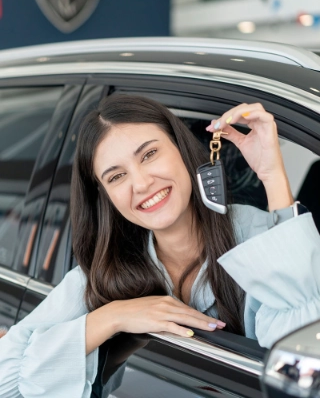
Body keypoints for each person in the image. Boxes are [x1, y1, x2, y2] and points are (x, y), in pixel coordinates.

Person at [1, 94, 320, 398]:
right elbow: (6, 381)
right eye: (116, 177)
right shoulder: (107, 272)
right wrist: (112, 317)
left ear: (180, 147)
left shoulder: (259, 237)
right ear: (107, 198)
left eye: (149, 154)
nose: (140, 184)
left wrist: (272, 175)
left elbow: (305, 359)